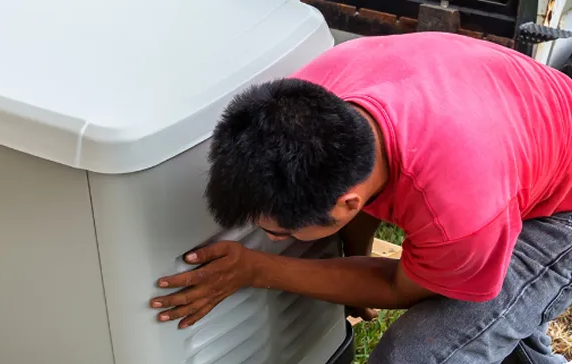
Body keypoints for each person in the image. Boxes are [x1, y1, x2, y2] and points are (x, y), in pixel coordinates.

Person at [149, 31, 573, 363]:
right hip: (519, 130)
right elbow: (374, 180)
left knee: (418, 355)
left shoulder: (458, 215)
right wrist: (351, 259)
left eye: (278, 231)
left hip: (564, 206)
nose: (272, 238)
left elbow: (399, 286)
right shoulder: (309, 98)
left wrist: (257, 269)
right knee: (500, 321)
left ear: (347, 204)